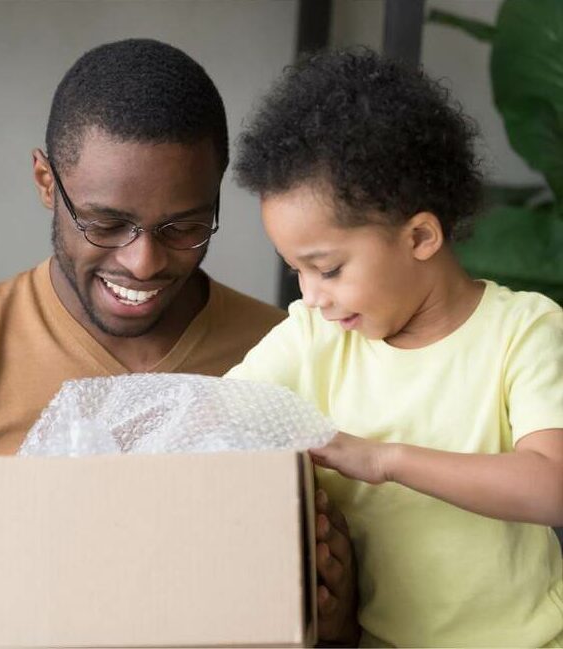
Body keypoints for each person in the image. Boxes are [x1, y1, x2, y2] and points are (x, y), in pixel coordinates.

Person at [0, 39, 357, 643]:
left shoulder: (294, 350)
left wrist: (333, 613)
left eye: (184, 227)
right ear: (47, 181)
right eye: (105, 223)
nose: (144, 262)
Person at [227, 48, 563, 647]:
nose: (312, 295)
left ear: (420, 236)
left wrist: (385, 460)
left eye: (326, 268)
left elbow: (551, 485)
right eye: (296, 271)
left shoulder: (523, 331)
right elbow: (212, 418)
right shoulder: (314, 335)